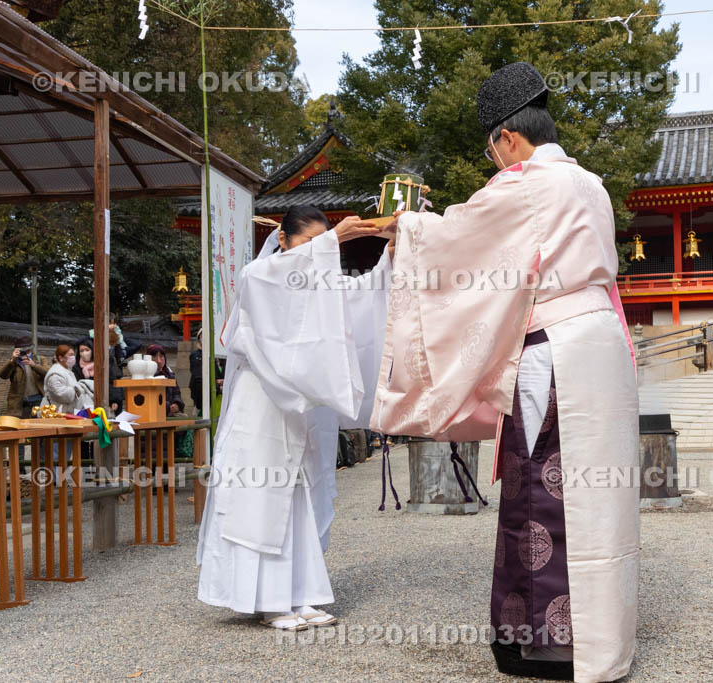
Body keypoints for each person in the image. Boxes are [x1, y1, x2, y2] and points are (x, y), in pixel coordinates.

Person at [371, 62, 639, 682]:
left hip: (555, 349)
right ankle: (602, 636)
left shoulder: (526, 184)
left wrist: (405, 225)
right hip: (602, 344)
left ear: (509, 137)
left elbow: (457, 238)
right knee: (600, 498)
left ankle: (552, 645)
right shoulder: (591, 185)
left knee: (544, 487)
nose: (493, 161)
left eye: (492, 149)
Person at [196, 206, 390, 631]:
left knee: (299, 494)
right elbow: (275, 283)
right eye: (309, 242)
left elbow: (362, 294)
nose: (319, 250)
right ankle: (267, 600)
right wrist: (333, 239)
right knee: (261, 494)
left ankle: (299, 593)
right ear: (282, 240)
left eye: (323, 242)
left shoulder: (321, 283)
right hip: (261, 400)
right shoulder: (258, 275)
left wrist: (392, 251)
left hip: (295, 406)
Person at [0, 336, 48, 417]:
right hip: (20, 403)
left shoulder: (40, 359)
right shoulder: (14, 362)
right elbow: (2, 375)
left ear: (31, 349)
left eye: (27, 351)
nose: (25, 353)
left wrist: (34, 365)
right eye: (22, 351)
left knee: (37, 424)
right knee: (21, 424)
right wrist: (12, 361)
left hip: (38, 400)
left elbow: (48, 374)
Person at [41, 344, 92, 413]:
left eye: (73, 355)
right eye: (70, 355)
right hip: (55, 413)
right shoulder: (55, 373)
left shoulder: (67, 370)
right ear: (61, 358)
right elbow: (59, 393)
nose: (73, 357)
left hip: (65, 412)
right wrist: (77, 389)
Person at [146, 344, 184, 417]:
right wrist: (168, 407)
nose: (158, 360)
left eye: (161, 356)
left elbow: (176, 393)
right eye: (154, 356)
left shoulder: (170, 374)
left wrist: (177, 404)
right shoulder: (145, 375)